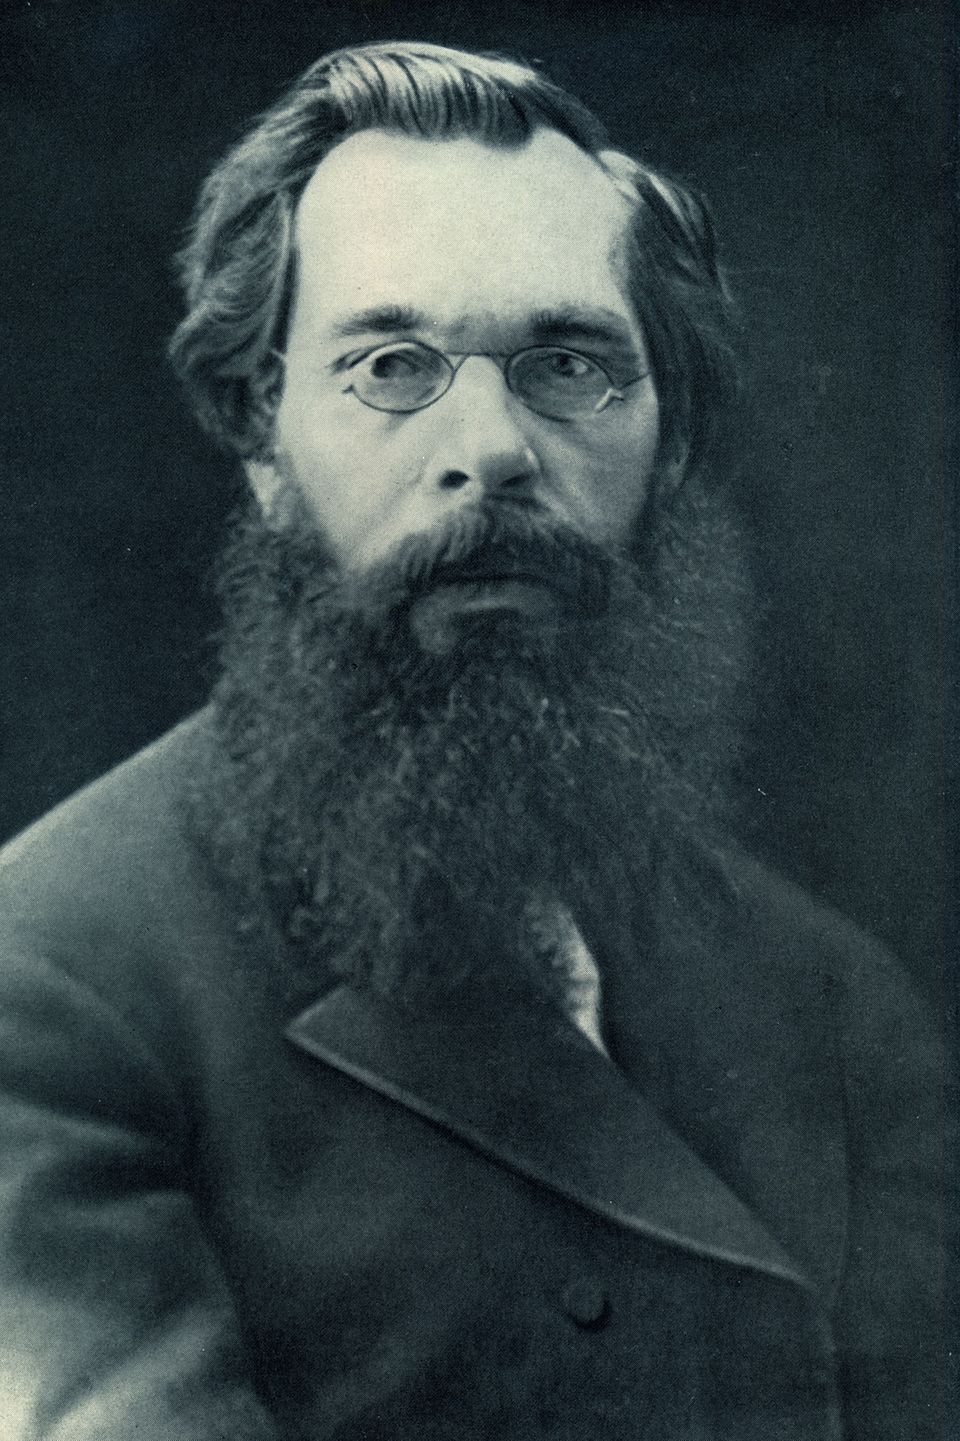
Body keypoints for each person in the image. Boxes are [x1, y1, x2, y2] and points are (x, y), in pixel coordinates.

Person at [0, 40, 949, 1441]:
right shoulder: (45, 987)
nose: (492, 447)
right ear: (263, 439)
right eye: (393, 366)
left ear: (671, 440)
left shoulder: (836, 1006)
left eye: (570, 366)